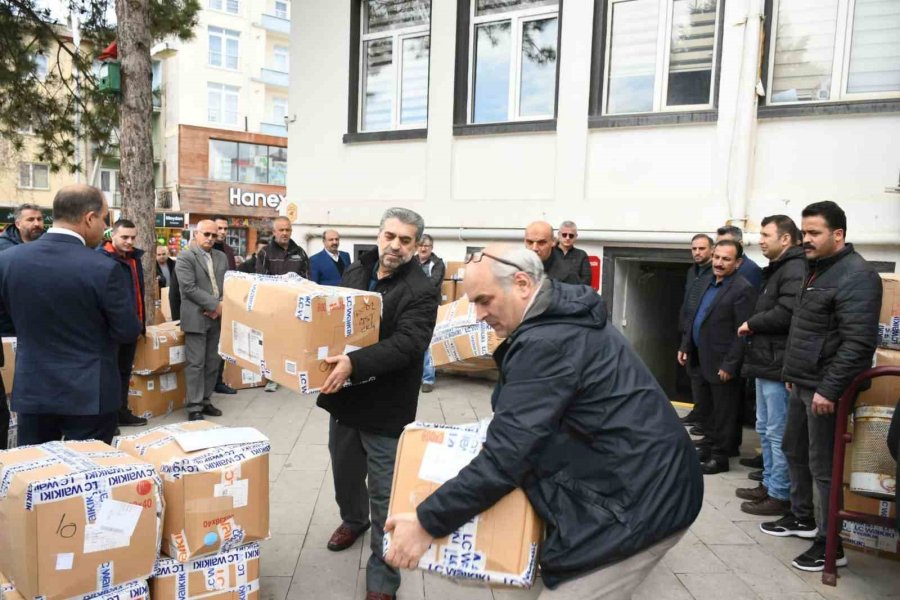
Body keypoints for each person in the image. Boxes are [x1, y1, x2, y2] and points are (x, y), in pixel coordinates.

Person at [384, 244, 703, 600]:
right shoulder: (556, 318)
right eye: (473, 302)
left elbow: (507, 456)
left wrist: (426, 522)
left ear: (522, 284)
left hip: (640, 504)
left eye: (484, 300)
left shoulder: (546, 342)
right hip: (629, 481)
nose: (478, 315)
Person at [316, 208, 438, 600]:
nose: (395, 245)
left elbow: (408, 344)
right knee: (345, 475)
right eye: (390, 236)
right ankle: (353, 520)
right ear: (379, 235)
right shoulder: (356, 270)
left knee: (384, 497)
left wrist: (354, 363)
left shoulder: (422, 289)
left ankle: (383, 579)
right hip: (346, 398)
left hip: (386, 407)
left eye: (405, 240)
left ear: (416, 245)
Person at [761, 201, 882, 572]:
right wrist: (791, 372)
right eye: (804, 232)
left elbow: (858, 344)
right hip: (802, 381)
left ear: (838, 234)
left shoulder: (857, 276)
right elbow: (805, 328)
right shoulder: (815, 269)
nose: (806, 239)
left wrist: (829, 389)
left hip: (825, 390)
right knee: (793, 450)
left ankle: (831, 544)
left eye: (814, 233)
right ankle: (803, 517)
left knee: (823, 467)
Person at [0, 185, 141, 444]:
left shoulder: (8, 261)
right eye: (104, 219)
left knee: (38, 467)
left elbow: (4, 321)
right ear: (89, 218)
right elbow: (127, 330)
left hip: (34, 389)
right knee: (89, 468)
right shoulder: (104, 268)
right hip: (90, 393)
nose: (105, 227)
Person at [734, 215, 804, 516]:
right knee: (765, 428)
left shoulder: (794, 269)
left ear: (785, 239)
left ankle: (779, 494)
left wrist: (752, 323)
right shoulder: (778, 269)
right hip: (765, 362)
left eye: (765, 235)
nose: (760, 240)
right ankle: (769, 483)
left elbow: (786, 313)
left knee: (777, 432)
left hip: (777, 364)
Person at [679, 240, 757, 474]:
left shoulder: (742, 289)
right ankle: (709, 447)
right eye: (717, 257)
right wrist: (685, 345)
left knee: (724, 413)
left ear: (738, 263)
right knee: (708, 410)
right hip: (701, 356)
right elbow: (696, 317)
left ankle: (720, 457)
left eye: (726, 259)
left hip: (722, 362)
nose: (719, 263)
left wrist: (730, 364)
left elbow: (743, 333)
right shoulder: (707, 282)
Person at [97, 219, 150, 427]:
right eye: (124, 237)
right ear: (112, 235)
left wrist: (140, 324)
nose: (129, 241)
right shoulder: (101, 258)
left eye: (133, 238)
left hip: (131, 326)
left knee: (124, 372)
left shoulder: (134, 258)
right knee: (108, 375)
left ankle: (121, 413)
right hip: (109, 330)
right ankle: (107, 418)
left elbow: (137, 292)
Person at [177, 220, 228, 421]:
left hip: (217, 317)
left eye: (214, 235)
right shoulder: (185, 256)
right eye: (206, 234)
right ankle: (194, 406)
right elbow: (188, 288)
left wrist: (220, 306)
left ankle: (206, 400)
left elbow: (228, 284)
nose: (210, 238)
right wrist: (214, 305)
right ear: (196, 234)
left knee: (213, 362)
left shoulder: (221, 257)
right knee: (196, 363)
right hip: (196, 316)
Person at [256, 217, 310, 392]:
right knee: (272, 343)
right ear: (274, 232)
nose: (285, 233)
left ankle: (291, 376)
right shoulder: (265, 253)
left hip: (294, 307)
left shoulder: (300, 253)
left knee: (293, 342)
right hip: (273, 307)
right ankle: (272, 378)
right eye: (281, 230)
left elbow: (307, 280)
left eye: (288, 230)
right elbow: (261, 281)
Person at [679, 233, 714, 430]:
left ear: (712, 249)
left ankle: (706, 420)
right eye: (694, 249)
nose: (697, 252)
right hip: (690, 332)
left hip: (707, 335)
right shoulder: (692, 271)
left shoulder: (715, 273)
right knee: (694, 376)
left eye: (701, 248)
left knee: (707, 380)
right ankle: (698, 413)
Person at [211, 216, 237, 395]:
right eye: (219, 228)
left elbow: (233, 276)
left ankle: (218, 381)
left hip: (226, 305)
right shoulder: (202, 249)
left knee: (222, 345)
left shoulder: (228, 250)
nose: (222, 232)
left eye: (225, 229)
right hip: (206, 307)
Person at [416, 234, 444, 393]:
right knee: (412, 340)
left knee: (429, 343)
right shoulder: (410, 262)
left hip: (430, 308)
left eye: (426, 245)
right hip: (411, 307)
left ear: (431, 247)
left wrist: (414, 287)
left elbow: (433, 285)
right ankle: (414, 376)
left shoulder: (438, 263)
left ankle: (428, 379)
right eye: (420, 245)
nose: (423, 248)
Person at [717, 225, 763, 289]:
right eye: (719, 244)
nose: (721, 248)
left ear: (740, 244)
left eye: (727, 244)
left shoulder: (751, 270)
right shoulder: (716, 266)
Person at [556, 220, 592, 285]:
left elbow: (586, 279)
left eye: (571, 235)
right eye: (564, 235)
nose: (567, 238)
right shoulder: (550, 252)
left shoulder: (581, 255)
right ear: (559, 235)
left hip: (574, 291)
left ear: (576, 237)